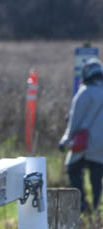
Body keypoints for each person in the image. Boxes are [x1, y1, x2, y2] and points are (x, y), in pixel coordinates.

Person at [60, 57, 103, 212]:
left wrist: (65, 140)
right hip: (101, 147)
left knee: (73, 169)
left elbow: (75, 120)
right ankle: (97, 209)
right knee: (97, 177)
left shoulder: (85, 92)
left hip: (85, 143)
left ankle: (81, 205)